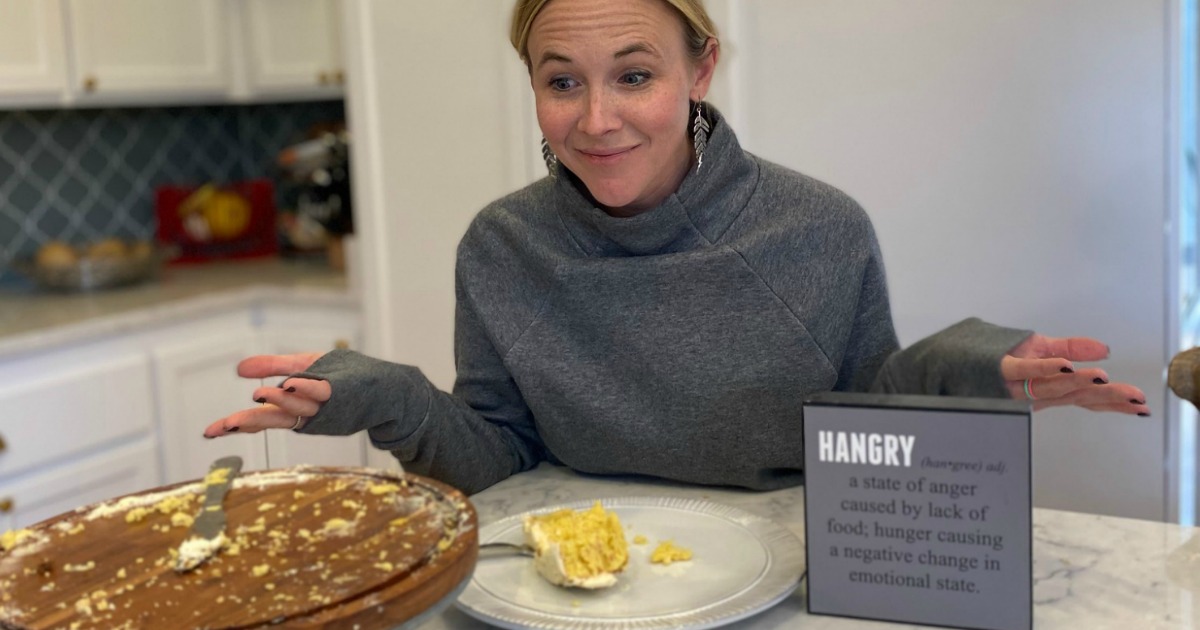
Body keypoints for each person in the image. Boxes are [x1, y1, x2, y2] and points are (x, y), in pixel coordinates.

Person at [204, 0, 1150, 495]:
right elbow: (498, 457)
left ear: (700, 68)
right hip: (577, 576)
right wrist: (394, 402)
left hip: (790, 579)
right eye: (562, 80)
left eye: (636, 74)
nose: (598, 118)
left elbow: (871, 419)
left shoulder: (819, 228)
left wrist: (965, 370)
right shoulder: (502, 247)